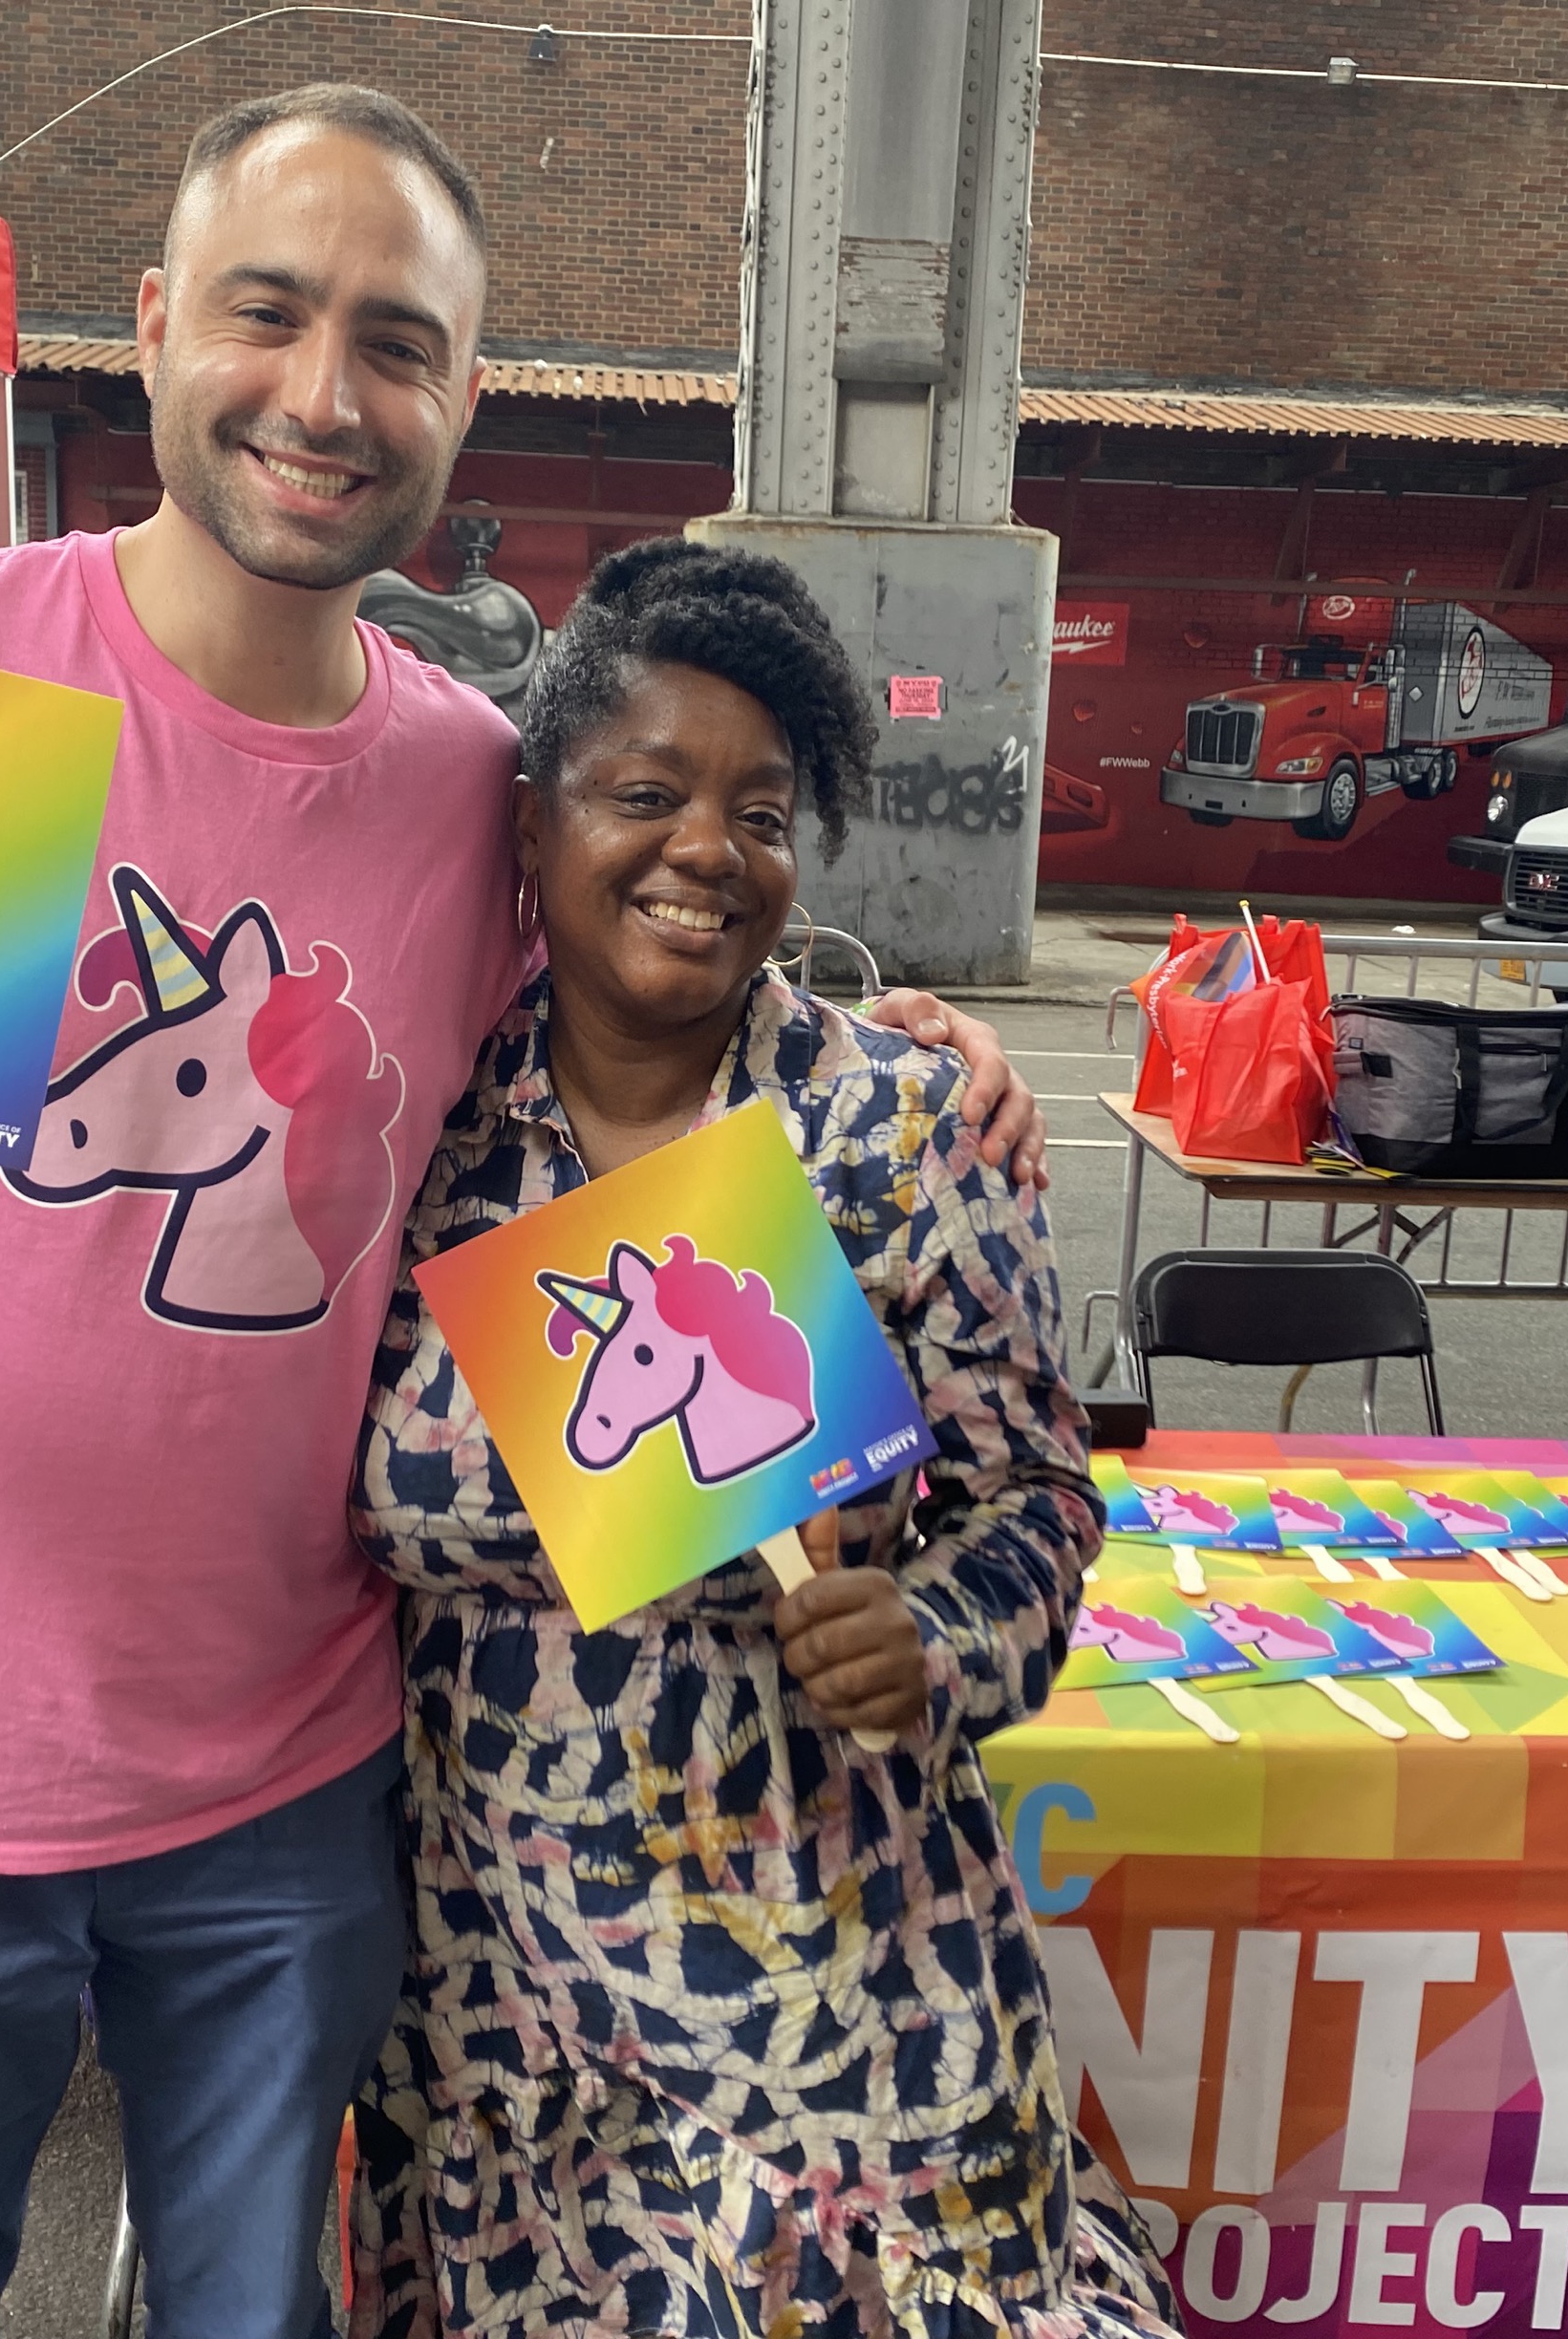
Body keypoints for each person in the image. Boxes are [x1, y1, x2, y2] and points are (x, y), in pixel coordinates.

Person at [0, 88, 1037, 2337]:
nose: (325, 396)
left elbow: (658, 961)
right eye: (269, 312)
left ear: (462, 400)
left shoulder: (466, 783)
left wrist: (899, 1033)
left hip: (284, 1787)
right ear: (149, 329)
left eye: (399, 343)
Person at [347, 541, 1176, 2334]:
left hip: (838, 1958)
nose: (706, 848)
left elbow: (1032, 1498)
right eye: (643, 791)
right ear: (531, 824)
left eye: (762, 808)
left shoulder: (889, 1123)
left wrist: (936, 1632)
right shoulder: (415, 1134)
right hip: (508, 1979)